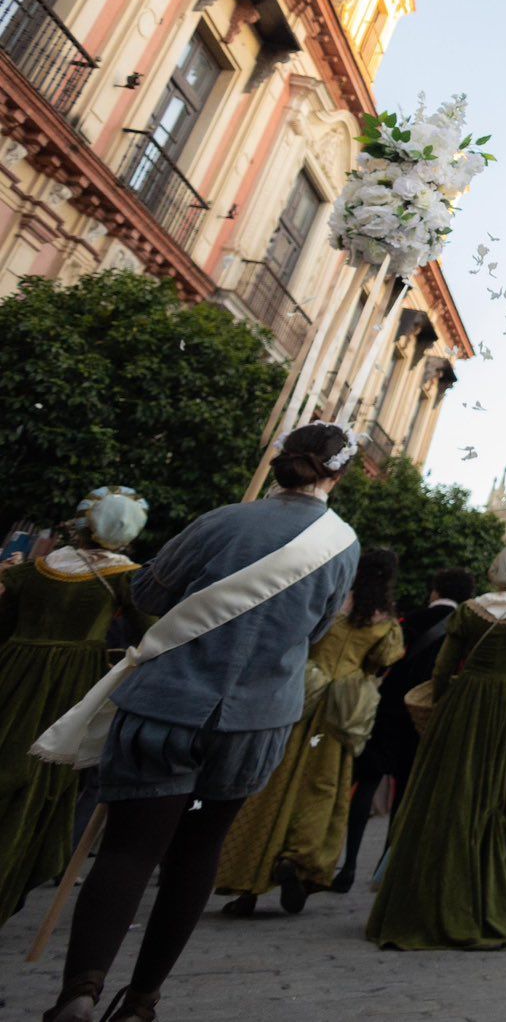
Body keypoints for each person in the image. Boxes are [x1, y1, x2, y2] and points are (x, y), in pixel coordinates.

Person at [39, 423, 362, 1022]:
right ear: (337, 474)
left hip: (167, 704)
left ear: (280, 463)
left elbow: (150, 595)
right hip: (256, 722)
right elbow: (316, 634)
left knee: (128, 853)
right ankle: (141, 1001)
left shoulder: (221, 520)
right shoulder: (344, 545)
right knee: (198, 854)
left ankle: (79, 992)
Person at [365, 544, 506, 950]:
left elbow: (443, 668)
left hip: (461, 704)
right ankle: (474, 900)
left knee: (443, 791)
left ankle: (418, 900)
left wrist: (454, 697)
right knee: (488, 795)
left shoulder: (469, 611)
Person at [215, 547, 403, 915]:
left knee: (271, 786)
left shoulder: (332, 604)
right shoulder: (385, 621)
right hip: (340, 714)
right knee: (322, 789)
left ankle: (248, 886)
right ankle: (301, 861)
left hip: (301, 698)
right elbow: (382, 662)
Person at [0, 488, 149, 928]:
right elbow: (151, 633)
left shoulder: (35, 570)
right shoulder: (126, 578)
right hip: (72, 686)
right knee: (41, 779)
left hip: (12, 672)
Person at [335, 564, 474, 892]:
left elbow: (384, 662)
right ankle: (386, 868)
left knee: (366, 783)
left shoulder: (408, 622)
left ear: (435, 591)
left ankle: (348, 865)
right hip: (429, 719)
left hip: (388, 713)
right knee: (407, 791)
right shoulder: (468, 631)